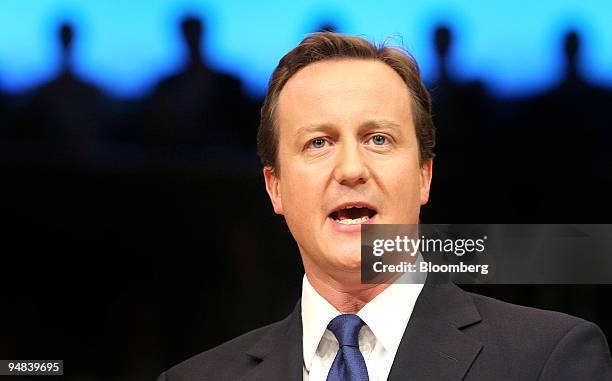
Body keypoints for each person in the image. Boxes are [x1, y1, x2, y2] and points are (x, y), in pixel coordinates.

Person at [157, 32, 612, 380]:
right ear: (274, 187)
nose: (351, 169)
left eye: (379, 139)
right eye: (319, 142)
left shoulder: (548, 358)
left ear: (423, 176)